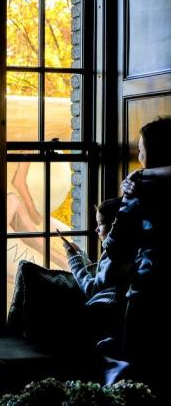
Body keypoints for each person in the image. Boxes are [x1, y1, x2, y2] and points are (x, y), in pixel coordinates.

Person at [7, 197, 134, 350]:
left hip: (99, 313)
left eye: (100, 224)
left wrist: (74, 260)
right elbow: (102, 279)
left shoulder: (114, 257)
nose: (96, 230)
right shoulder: (125, 253)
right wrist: (83, 259)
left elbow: (92, 289)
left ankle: (16, 338)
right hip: (101, 312)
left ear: (115, 227)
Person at [102, 117, 171, 393]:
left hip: (148, 292)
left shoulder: (139, 190)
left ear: (151, 153)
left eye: (141, 150)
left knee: (140, 378)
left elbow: (114, 247)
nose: (138, 157)